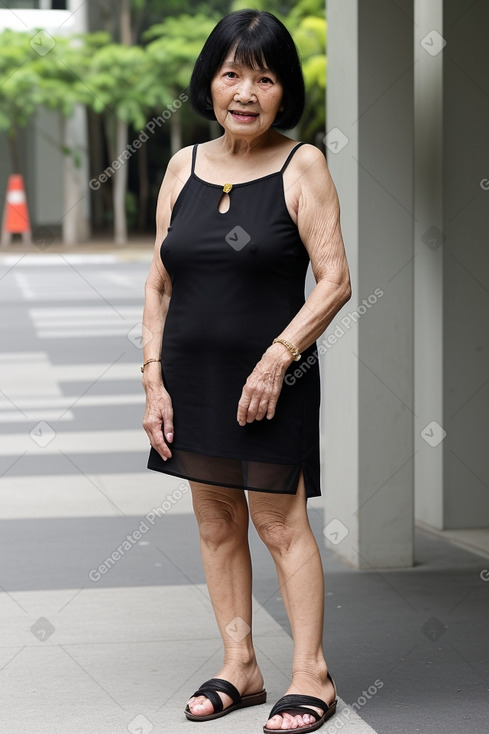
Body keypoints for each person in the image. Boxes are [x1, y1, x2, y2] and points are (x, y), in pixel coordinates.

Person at [142, 9, 351, 733]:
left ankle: (310, 674)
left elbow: (333, 281)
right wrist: (151, 376)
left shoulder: (303, 165)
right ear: (210, 82)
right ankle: (241, 666)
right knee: (214, 521)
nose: (245, 91)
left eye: (263, 77)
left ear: (282, 90)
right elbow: (159, 283)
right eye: (232, 73)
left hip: (272, 378)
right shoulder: (183, 166)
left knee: (277, 520)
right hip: (191, 374)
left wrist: (277, 356)